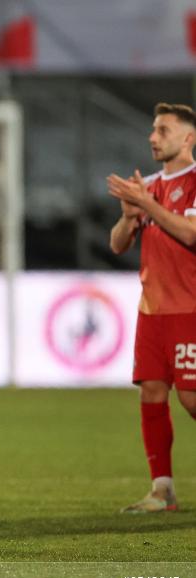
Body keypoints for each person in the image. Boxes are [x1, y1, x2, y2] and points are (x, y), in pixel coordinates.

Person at [107, 102, 196, 513]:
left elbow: (192, 234)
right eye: (153, 129)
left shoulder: (193, 182)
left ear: (188, 138)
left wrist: (148, 205)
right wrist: (130, 215)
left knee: (193, 401)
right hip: (152, 311)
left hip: (189, 310)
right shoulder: (150, 187)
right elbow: (118, 244)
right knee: (152, 393)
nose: (153, 137)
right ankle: (162, 490)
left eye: (163, 130)